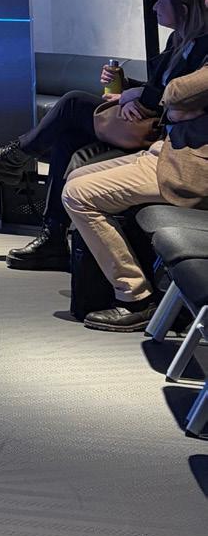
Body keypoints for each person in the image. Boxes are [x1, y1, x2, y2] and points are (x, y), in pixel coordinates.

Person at [0, 0, 208, 269]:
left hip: (164, 136)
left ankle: (16, 157)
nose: (154, 7)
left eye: (161, 0)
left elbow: (178, 97)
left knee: (73, 103)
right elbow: (160, 90)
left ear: (184, 9)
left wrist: (142, 97)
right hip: (147, 121)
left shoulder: (202, 48)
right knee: (68, 138)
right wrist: (127, 86)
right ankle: (52, 236)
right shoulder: (177, 40)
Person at [63, 43, 208, 332]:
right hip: (168, 150)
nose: (158, 15)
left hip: (188, 167)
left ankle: (135, 298)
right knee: (75, 176)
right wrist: (153, 98)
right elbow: (171, 97)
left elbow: (176, 92)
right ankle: (95, 278)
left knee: (77, 194)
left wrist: (150, 97)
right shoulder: (182, 42)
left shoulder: (198, 43)